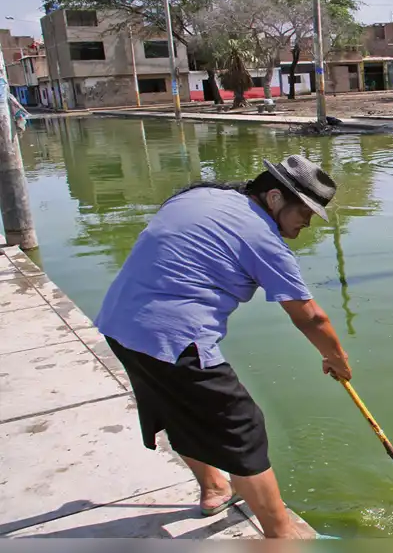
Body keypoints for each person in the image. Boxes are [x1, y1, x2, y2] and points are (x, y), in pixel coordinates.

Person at [94, 154, 351, 539]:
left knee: (177, 408)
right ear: (275, 198)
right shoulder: (262, 238)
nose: (306, 224)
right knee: (242, 429)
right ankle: (282, 536)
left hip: (120, 324)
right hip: (174, 338)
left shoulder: (199, 195)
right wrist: (336, 358)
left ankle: (215, 487)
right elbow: (311, 317)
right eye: (304, 213)